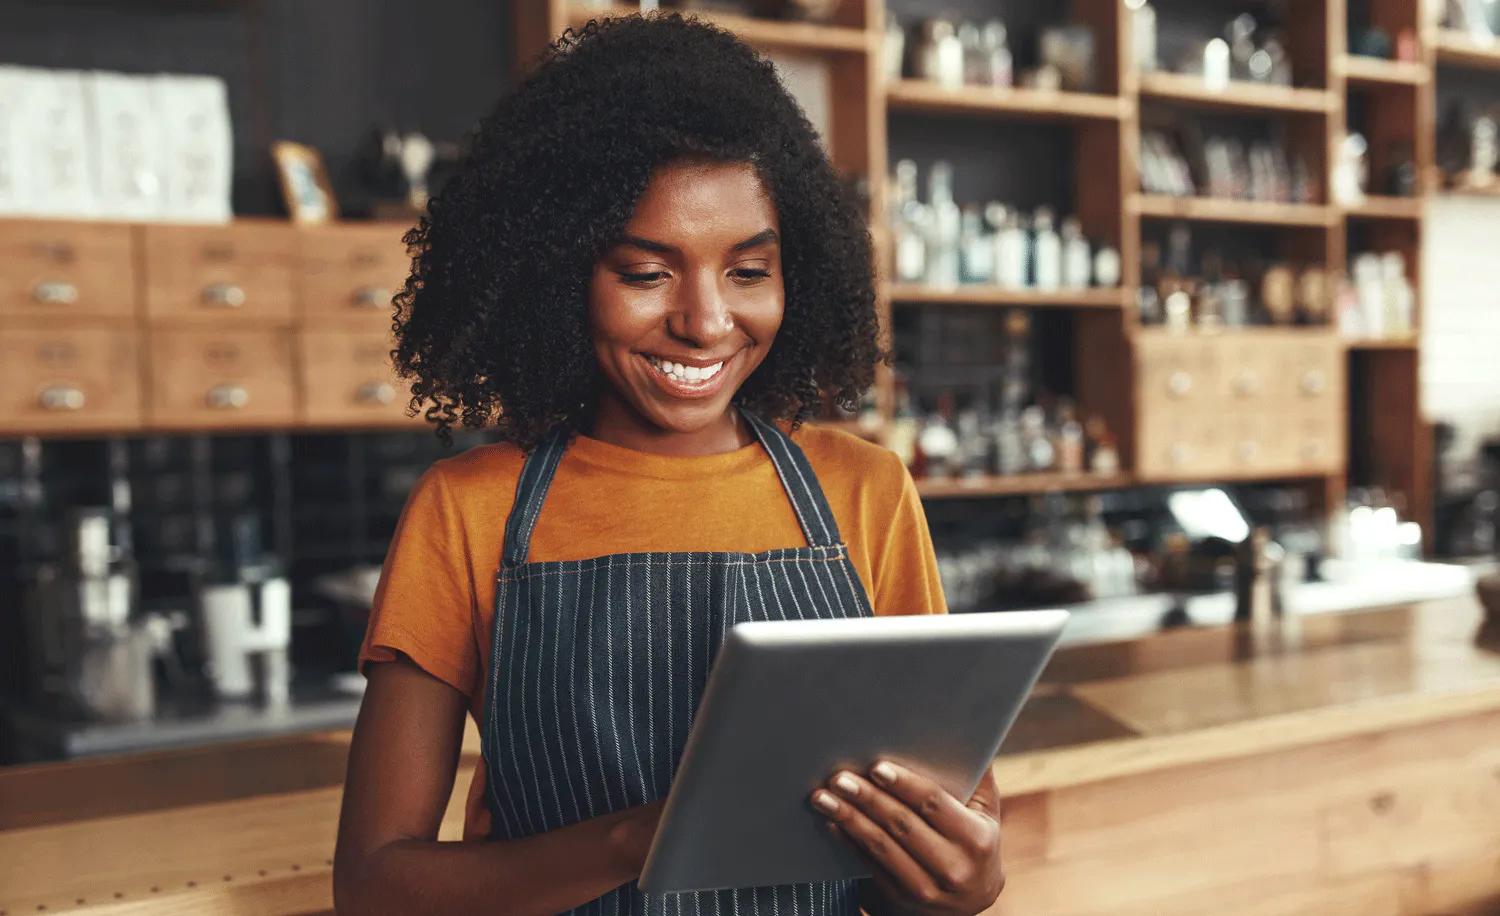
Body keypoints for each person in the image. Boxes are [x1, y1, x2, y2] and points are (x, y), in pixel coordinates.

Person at [333, 13, 1006, 916]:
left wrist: (963, 881)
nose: (706, 321)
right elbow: (376, 888)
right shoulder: (468, 511)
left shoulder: (866, 494)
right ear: (554, 273)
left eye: (748, 271)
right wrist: (638, 839)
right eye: (646, 273)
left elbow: (942, 841)